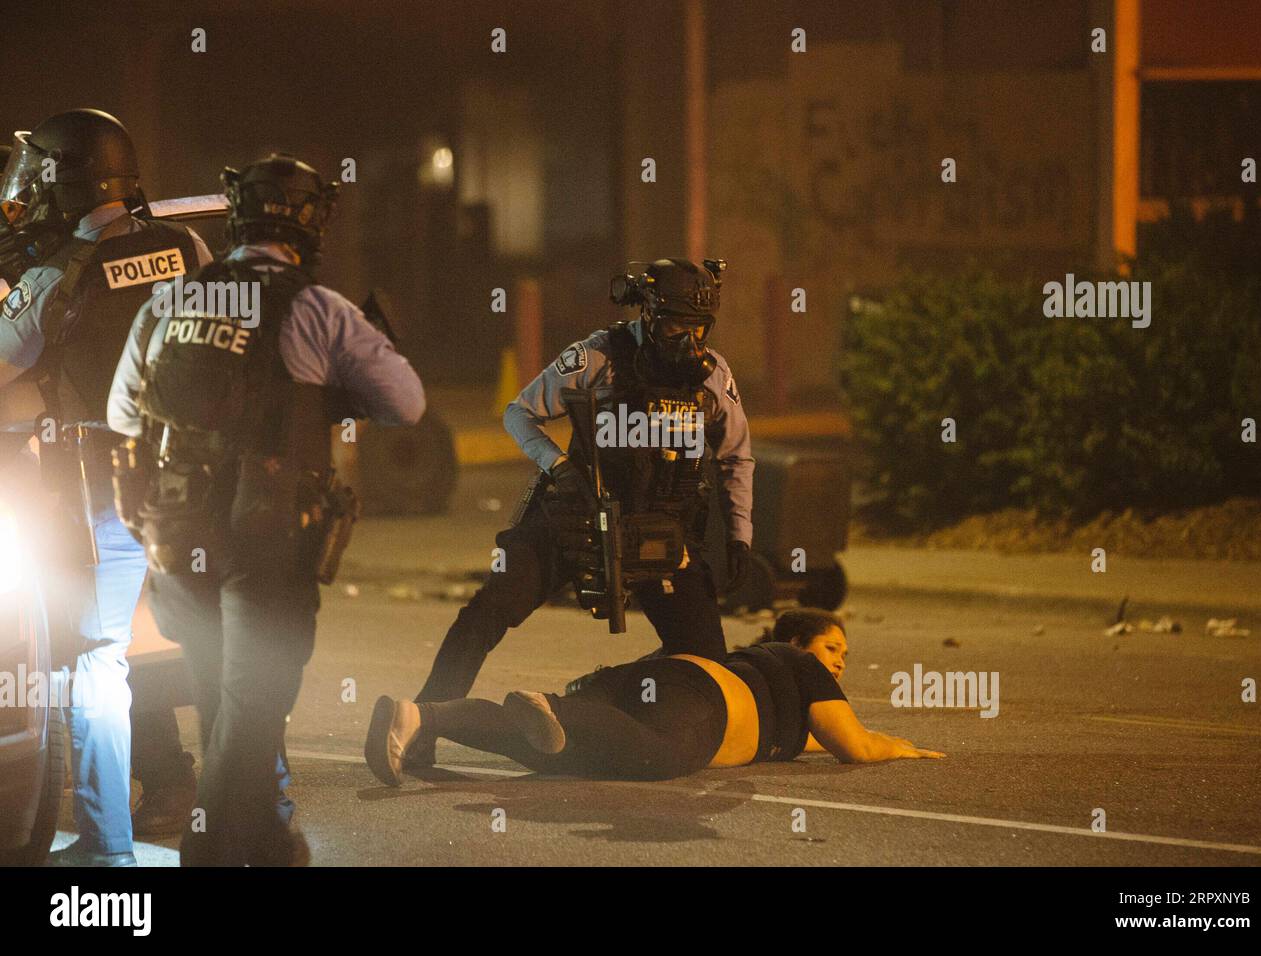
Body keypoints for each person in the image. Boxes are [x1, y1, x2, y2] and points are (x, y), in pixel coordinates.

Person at [108, 153, 425, 865]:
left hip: (176, 541)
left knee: (223, 704)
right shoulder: (315, 308)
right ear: (311, 222)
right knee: (252, 714)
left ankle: (275, 849)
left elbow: (121, 415)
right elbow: (406, 403)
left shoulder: (170, 297)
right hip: (267, 541)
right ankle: (211, 852)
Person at [393, 258, 755, 764]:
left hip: (660, 535)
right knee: (486, 613)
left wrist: (740, 535)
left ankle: (608, 703)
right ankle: (422, 724)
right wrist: (560, 467)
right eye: (676, 324)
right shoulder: (598, 355)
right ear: (648, 313)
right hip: (580, 519)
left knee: (705, 663)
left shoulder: (713, 373)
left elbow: (736, 455)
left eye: (699, 328)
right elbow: (519, 412)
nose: (688, 339)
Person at [0, 109, 211, 866]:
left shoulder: (57, 276)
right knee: (221, 651)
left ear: (61, 181)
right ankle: (251, 825)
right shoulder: (186, 245)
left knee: (96, 663)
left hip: (103, 493)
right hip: (201, 487)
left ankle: (106, 849)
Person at [368, 610, 942, 785]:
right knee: (665, 756)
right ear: (796, 643)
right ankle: (555, 708)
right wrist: (895, 746)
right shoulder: (798, 664)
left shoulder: (759, 663)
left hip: (657, 682)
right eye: (833, 648)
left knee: (559, 755)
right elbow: (854, 746)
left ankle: (419, 716)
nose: (838, 662)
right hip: (702, 699)